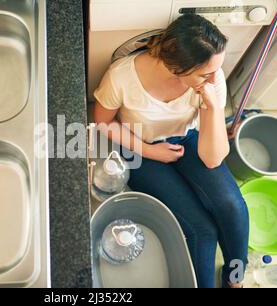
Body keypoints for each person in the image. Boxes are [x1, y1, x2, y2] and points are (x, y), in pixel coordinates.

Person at [93, 14, 249, 288]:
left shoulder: (210, 82)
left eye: (217, 69)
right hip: (140, 150)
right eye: (206, 74)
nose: (215, 78)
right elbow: (103, 123)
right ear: (177, 69)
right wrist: (152, 152)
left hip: (187, 138)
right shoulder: (121, 76)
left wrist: (211, 109)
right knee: (202, 230)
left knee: (232, 206)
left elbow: (212, 158)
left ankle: (235, 278)